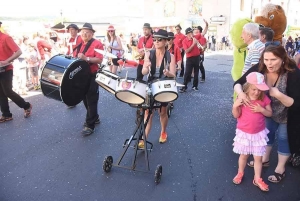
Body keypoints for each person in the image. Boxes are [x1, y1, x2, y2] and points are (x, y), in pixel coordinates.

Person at [234, 45, 300, 183]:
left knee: (283, 138)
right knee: (266, 135)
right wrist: (241, 94)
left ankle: (280, 169)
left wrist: (278, 94)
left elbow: (295, 104)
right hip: (266, 111)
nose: (269, 63)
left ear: (283, 59)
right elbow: (238, 83)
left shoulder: (292, 73)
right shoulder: (260, 68)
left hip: (287, 114)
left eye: (273, 60)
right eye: (266, 59)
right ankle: (264, 160)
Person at [232, 72, 272, 192]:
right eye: (254, 89)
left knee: (258, 158)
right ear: (247, 87)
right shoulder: (242, 99)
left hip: (258, 134)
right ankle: (240, 172)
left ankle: (257, 178)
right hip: (244, 134)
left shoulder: (264, 99)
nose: (257, 92)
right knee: (243, 156)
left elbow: (270, 114)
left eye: (260, 89)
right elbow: (236, 115)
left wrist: (262, 109)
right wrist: (235, 106)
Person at [140, 29, 176, 147]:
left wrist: (168, 73)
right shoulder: (149, 54)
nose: (156, 42)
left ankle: (163, 132)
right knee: (147, 113)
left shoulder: (170, 56)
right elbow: (144, 71)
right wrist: (146, 66)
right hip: (151, 85)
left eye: (159, 39)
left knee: (162, 113)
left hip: (163, 86)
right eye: (154, 39)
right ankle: (143, 139)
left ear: (166, 41)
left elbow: (173, 74)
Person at [74, 23, 104, 136]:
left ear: (92, 33)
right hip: (82, 75)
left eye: (87, 32)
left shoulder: (97, 43)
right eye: (82, 32)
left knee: (91, 98)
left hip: (92, 74)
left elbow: (100, 60)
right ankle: (94, 117)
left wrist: (86, 58)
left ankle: (89, 125)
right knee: (84, 98)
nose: (84, 34)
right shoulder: (79, 44)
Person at [0, 30, 32, 123]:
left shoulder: (6, 38)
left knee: (8, 91)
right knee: (1, 93)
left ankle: (26, 106)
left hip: (6, 69)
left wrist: (7, 61)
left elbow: (18, 51)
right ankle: (6, 114)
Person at [179, 27, 200, 92]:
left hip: (197, 57)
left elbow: (203, 33)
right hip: (189, 58)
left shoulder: (195, 37)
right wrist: (194, 44)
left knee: (196, 72)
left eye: (192, 32)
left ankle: (195, 86)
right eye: (190, 33)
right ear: (187, 34)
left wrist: (206, 25)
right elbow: (187, 51)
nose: (191, 34)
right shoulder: (184, 41)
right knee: (187, 72)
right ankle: (184, 86)